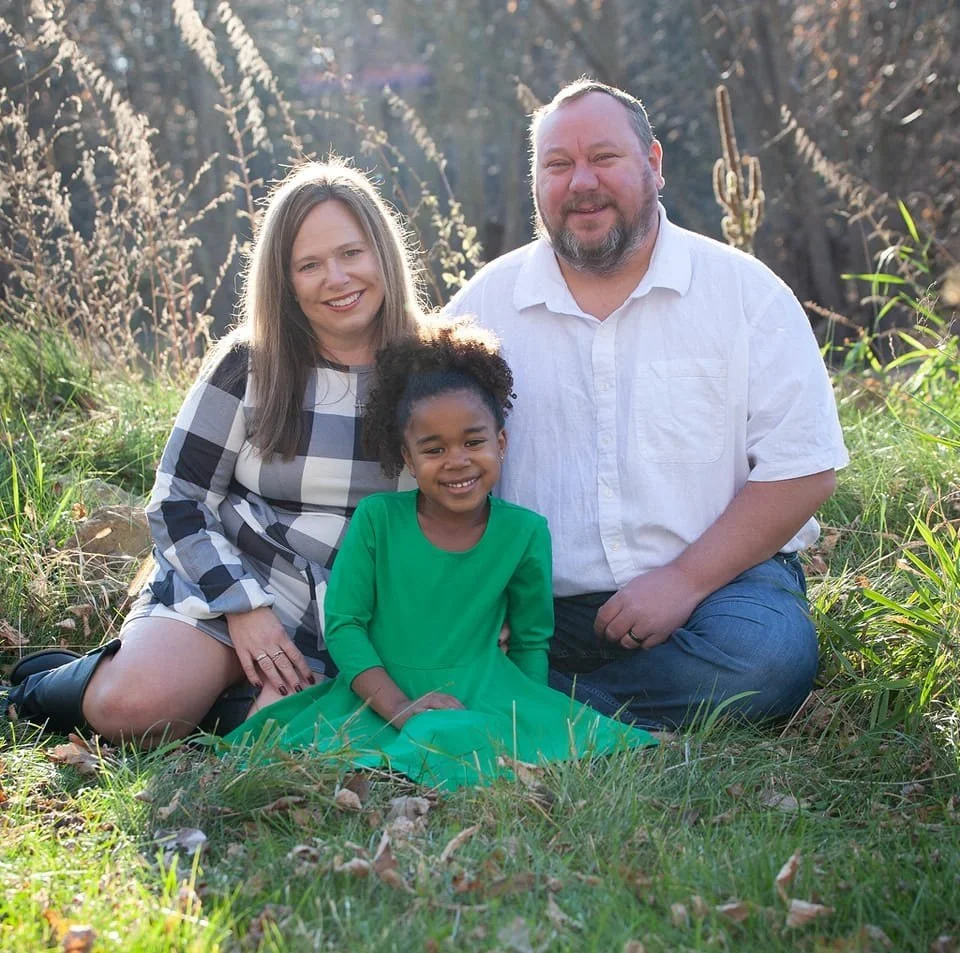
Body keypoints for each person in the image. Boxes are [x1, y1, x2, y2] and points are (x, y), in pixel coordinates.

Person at [444, 79, 849, 729]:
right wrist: (481, 587)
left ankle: (532, 708)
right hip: (539, 604)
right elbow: (432, 467)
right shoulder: (481, 310)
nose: (581, 183)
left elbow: (804, 467)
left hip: (720, 590)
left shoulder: (745, 296)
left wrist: (683, 580)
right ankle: (577, 704)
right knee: (437, 635)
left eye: (603, 158)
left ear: (653, 165)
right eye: (557, 165)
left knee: (767, 657)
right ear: (536, 182)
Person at [7, 159, 426, 743]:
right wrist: (244, 607)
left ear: (383, 253)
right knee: (134, 710)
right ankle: (43, 685)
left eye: (351, 254)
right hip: (241, 577)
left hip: (363, 609)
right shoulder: (251, 364)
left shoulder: (434, 368)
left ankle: (225, 705)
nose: (336, 278)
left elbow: (468, 507)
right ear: (284, 280)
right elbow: (177, 499)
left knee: (302, 743)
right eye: (309, 264)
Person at [225, 317, 655, 789]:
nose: (457, 460)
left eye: (474, 442)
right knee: (392, 739)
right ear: (408, 459)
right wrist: (398, 708)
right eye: (434, 449)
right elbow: (346, 624)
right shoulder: (378, 521)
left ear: (501, 443)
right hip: (380, 694)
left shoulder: (525, 533)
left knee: (480, 733)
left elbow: (531, 641)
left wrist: (530, 718)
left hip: (487, 691)